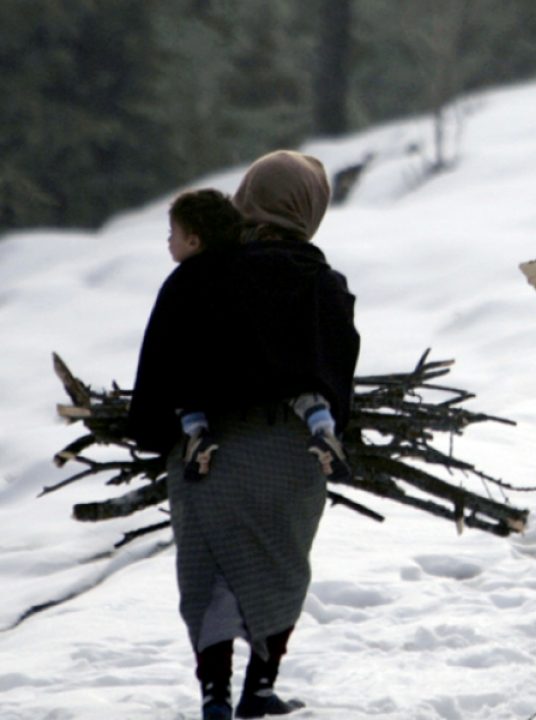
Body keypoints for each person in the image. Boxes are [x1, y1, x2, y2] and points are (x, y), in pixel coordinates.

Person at [127, 151, 361, 719]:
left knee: (208, 571)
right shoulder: (324, 285)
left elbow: (160, 371)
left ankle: (213, 696)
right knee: (278, 565)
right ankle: (259, 688)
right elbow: (336, 380)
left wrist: (162, 434)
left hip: (208, 455)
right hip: (288, 457)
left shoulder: (197, 275)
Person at [163, 188, 351, 485]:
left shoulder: (200, 275)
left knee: (187, 395)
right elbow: (338, 358)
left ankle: (197, 433)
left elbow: (165, 352)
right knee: (308, 394)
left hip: (217, 412)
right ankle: (322, 428)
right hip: (295, 435)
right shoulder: (321, 277)